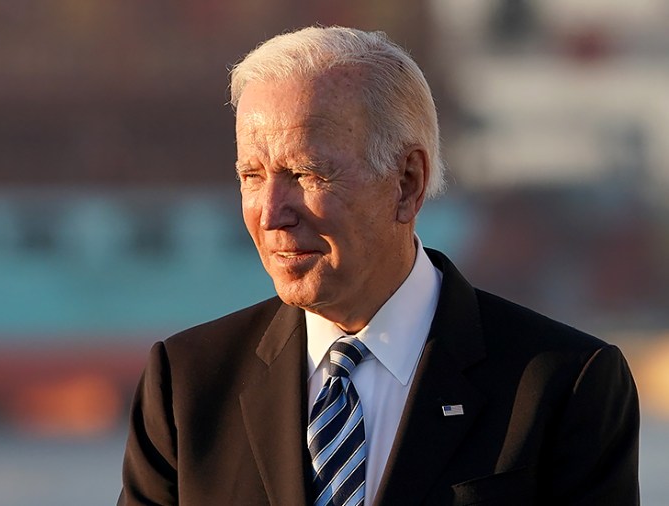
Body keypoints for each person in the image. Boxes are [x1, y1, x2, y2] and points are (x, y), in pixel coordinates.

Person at [119, 26, 639, 505]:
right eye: (252, 175)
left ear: (407, 182)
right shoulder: (185, 385)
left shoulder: (565, 386)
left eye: (306, 172)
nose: (271, 213)